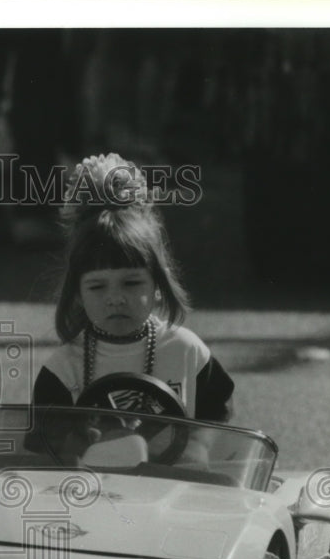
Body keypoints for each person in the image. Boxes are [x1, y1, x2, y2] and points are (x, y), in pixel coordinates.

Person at [33, 153, 234, 423]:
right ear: (77, 293)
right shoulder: (63, 370)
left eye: (131, 283)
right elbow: (48, 449)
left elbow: (220, 421)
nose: (115, 298)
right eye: (97, 286)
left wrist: (198, 447)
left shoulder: (187, 352)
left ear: (158, 284)